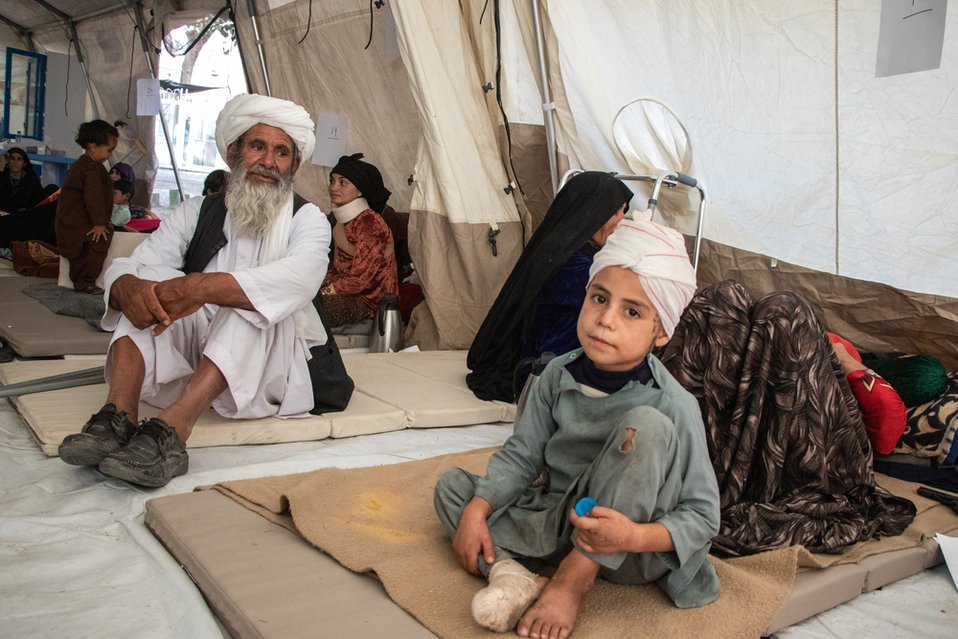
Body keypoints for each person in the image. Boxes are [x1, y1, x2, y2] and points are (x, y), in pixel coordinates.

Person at [436, 219, 719, 638]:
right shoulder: (555, 374)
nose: (606, 320)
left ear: (661, 331)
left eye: (632, 311)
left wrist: (634, 536)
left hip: (627, 547)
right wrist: (478, 509)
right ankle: (513, 576)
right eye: (599, 298)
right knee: (454, 490)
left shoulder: (673, 404)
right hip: (559, 525)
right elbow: (522, 455)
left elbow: (703, 515)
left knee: (645, 426)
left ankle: (574, 580)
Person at [57, 93, 338, 488]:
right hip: (195, 356)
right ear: (234, 152)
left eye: (281, 152)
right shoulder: (197, 210)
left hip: (268, 367)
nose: (268, 161)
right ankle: (117, 417)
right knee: (148, 282)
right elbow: (134, 264)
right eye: (257, 146)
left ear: (293, 165)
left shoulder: (307, 219)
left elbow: (301, 278)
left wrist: (200, 287)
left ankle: (173, 431)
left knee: (247, 300)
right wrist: (126, 286)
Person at [659, 280, 917, 556]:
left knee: (781, 310)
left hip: (779, 430)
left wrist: (848, 364)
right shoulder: (777, 332)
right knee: (726, 297)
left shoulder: (821, 347)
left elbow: (886, 419)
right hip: (731, 419)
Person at [466, 171, 633, 402]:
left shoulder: (564, 250)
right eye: (617, 212)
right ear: (595, 211)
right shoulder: (575, 267)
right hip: (544, 376)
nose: (622, 220)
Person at [321, 153, 398, 327]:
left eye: (343, 183)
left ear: (360, 190)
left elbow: (360, 280)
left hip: (370, 302)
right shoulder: (343, 221)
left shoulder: (370, 223)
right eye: (332, 181)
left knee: (313, 308)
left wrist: (326, 291)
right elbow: (337, 269)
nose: (333, 187)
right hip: (347, 292)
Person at [55, 119, 123, 294]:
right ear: (93, 146)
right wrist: (99, 223)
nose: (109, 155)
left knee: (86, 252)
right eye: (109, 150)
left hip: (81, 220)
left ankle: (84, 281)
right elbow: (94, 198)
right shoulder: (90, 169)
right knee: (89, 251)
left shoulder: (90, 166)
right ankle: (84, 281)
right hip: (81, 223)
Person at [0, 147, 44, 213]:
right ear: (8, 162)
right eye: (12, 158)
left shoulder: (31, 180)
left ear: (24, 164)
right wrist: (1, 166)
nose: (15, 162)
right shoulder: (3, 177)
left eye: (19, 159)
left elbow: (37, 200)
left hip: (25, 214)